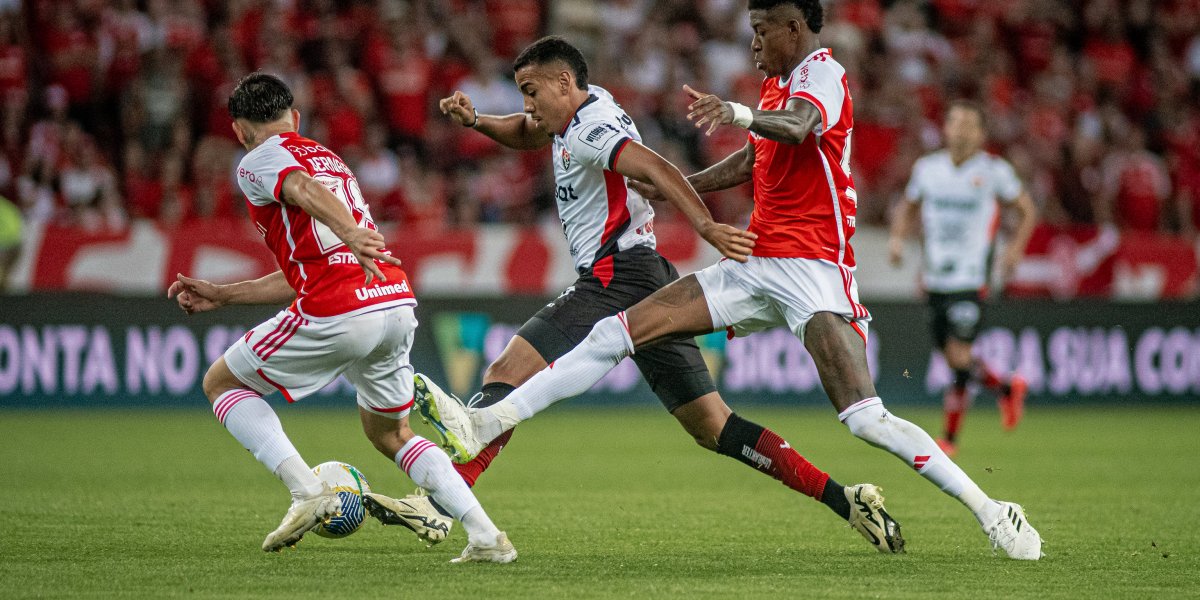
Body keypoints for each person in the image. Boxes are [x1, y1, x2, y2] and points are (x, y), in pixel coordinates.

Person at [418, 2, 1043, 560]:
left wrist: (734, 119)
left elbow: (797, 128)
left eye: (762, 30)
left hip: (814, 270)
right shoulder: (774, 86)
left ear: (793, 28)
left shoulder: (822, 73)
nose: (753, 42)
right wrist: (697, 185)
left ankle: (992, 511)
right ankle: (485, 425)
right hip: (757, 262)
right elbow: (754, 158)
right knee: (615, 335)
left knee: (864, 419)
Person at [373, 35, 905, 554]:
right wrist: (478, 122)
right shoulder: (579, 110)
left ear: (564, 82)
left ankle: (441, 502)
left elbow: (656, 167)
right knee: (712, 427)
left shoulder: (591, 128)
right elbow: (528, 131)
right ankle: (847, 500)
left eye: (531, 90)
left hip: (616, 275)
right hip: (644, 275)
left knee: (506, 373)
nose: (527, 104)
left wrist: (707, 226)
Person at [167, 72, 514, 563]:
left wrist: (350, 232)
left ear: (240, 131)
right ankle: (485, 535)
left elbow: (302, 189)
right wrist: (225, 293)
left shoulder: (258, 161)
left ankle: (306, 490)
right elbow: (301, 269)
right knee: (390, 434)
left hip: (341, 308)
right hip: (393, 300)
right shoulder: (332, 160)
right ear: (297, 118)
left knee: (223, 384)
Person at [888, 101, 1037, 457]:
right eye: (954, 122)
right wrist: (897, 238)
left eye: (969, 124)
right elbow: (908, 206)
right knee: (952, 356)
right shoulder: (927, 169)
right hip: (935, 277)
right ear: (945, 129)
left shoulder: (994, 171)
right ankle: (1005, 388)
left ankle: (949, 440)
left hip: (972, 277)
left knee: (958, 355)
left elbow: (1027, 210)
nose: (960, 130)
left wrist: (1015, 249)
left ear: (982, 134)